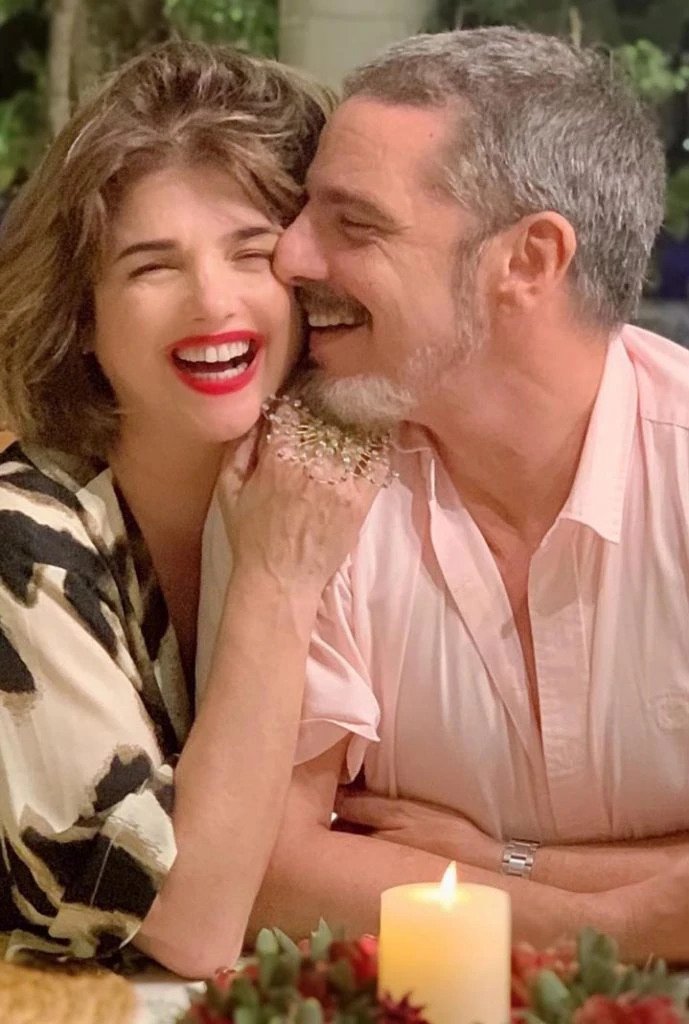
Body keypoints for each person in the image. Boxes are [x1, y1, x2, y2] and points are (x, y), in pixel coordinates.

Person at [199, 27, 689, 961]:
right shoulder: (304, 481)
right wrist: (621, 923)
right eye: (304, 213)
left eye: (354, 224)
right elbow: (268, 870)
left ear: (527, 262)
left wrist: (508, 864)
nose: (289, 256)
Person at [0, 40, 387, 976]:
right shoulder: (23, 542)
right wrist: (276, 579)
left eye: (252, 252)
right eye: (151, 267)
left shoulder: (358, 474)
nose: (213, 302)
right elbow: (186, 926)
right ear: (82, 316)